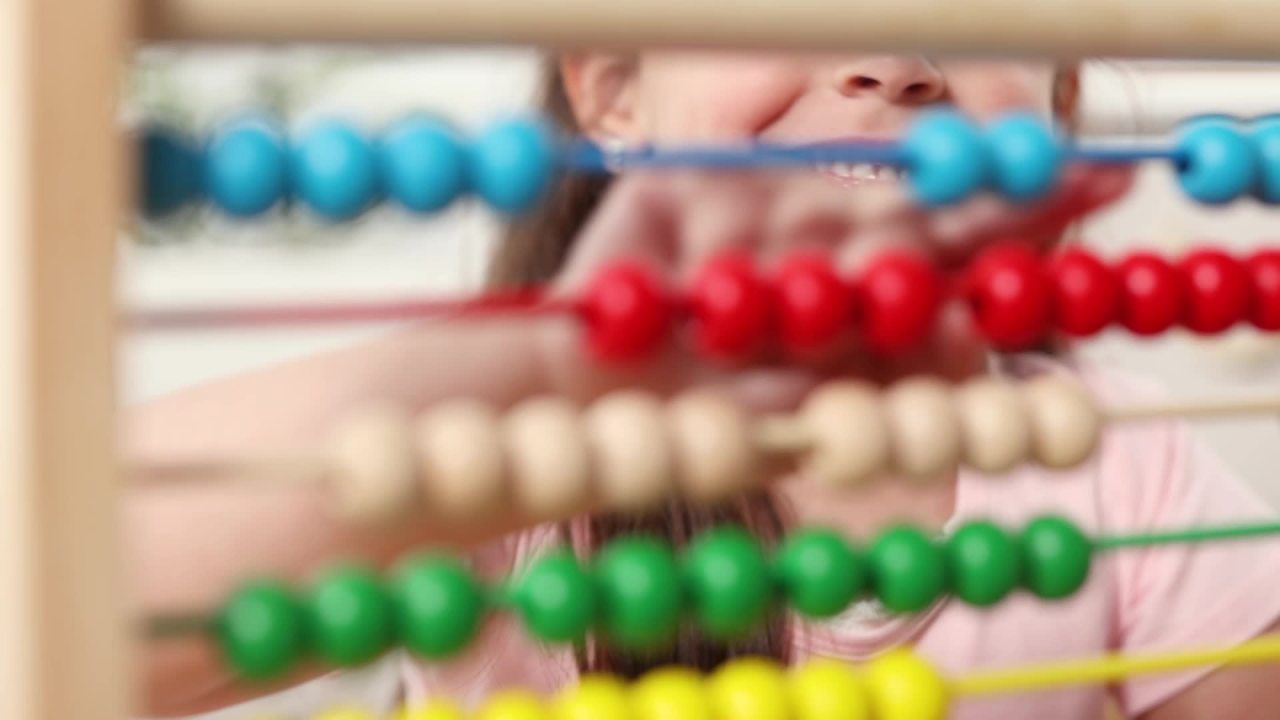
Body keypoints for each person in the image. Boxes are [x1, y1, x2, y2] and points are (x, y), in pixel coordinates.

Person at [130, 52, 1280, 719]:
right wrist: (567, 370)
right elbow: (69, 598)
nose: (886, 52)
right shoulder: (509, 462)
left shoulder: (1119, 460)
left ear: (1056, 106)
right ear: (614, 91)